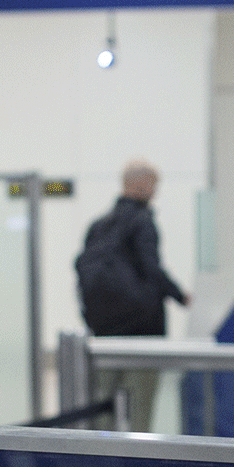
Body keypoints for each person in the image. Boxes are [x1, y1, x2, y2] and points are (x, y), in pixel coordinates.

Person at [77, 160, 187, 430]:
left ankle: (99, 462)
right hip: (143, 331)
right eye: (155, 185)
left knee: (101, 407)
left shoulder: (98, 225)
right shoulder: (143, 222)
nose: (156, 192)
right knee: (140, 407)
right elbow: (152, 269)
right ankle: (137, 466)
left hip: (104, 331)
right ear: (142, 185)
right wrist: (180, 296)